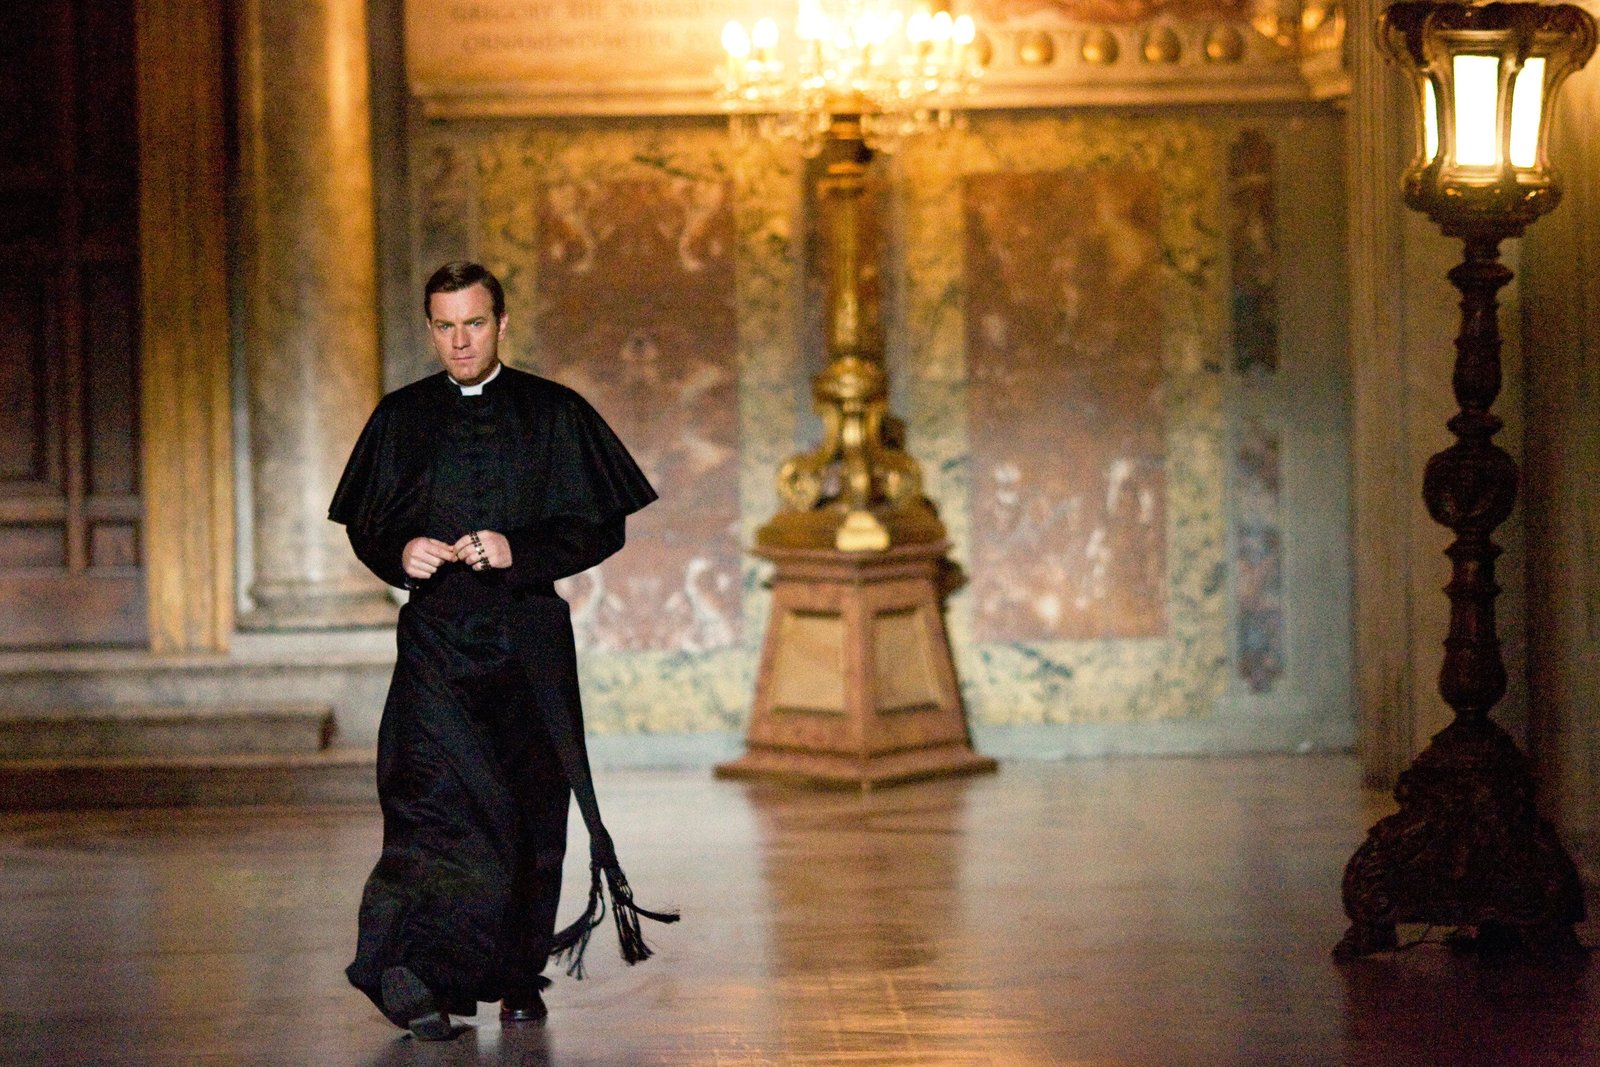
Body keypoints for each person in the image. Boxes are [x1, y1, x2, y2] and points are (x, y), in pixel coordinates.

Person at [329, 260, 677, 1041]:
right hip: (436, 640)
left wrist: (519, 548)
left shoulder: (554, 412)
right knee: (429, 806)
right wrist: (400, 551)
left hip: (527, 639)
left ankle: (519, 974)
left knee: (531, 807)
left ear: (502, 323)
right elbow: (368, 524)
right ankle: (419, 972)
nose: (460, 341)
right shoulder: (400, 417)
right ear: (430, 329)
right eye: (445, 326)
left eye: (475, 324)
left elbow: (602, 525)